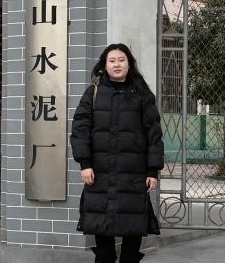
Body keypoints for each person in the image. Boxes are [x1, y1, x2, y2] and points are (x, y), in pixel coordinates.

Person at [70, 43, 164, 263]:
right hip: (99, 175)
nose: (117, 64)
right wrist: (84, 164)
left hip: (133, 176)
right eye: (112, 61)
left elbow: (154, 134)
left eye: (121, 60)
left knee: (132, 236)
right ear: (104, 65)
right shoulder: (93, 93)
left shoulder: (142, 94)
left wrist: (153, 171)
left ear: (129, 64)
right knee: (103, 242)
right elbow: (80, 130)